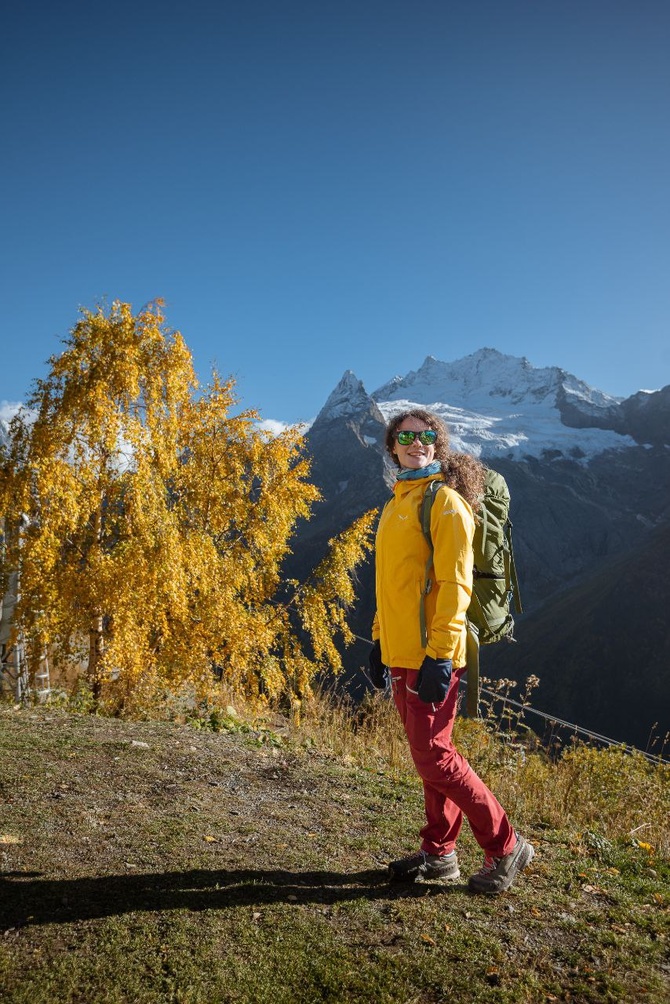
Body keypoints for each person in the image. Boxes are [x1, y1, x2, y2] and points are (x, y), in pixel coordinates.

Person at [369, 408, 534, 895]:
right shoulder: (396, 502)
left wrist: (441, 655)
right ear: (393, 446)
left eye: (426, 436)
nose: (416, 442)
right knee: (429, 756)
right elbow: (390, 584)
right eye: (406, 436)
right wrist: (380, 637)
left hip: (433, 654)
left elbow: (456, 584)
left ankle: (506, 846)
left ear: (437, 445)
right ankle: (440, 855)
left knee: (435, 756)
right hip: (401, 650)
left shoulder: (444, 503)